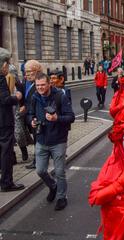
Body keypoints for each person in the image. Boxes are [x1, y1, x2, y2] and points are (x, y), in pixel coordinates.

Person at [27, 72, 75, 210]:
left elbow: (70, 117)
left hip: (58, 140)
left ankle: (61, 197)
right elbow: (30, 113)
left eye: (43, 85)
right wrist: (32, 121)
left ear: (49, 84)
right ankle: (52, 186)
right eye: (37, 85)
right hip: (41, 139)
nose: (40, 88)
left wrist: (56, 119)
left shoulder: (60, 96)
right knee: (40, 170)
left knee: (59, 172)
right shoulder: (35, 97)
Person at [0, 47, 25, 192]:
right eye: (8, 63)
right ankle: (7, 182)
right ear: (3, 65)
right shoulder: (1, 79)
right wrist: (17, 98)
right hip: (4, 121)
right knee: (6, 151)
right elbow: (5, 100)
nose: (8, 67)